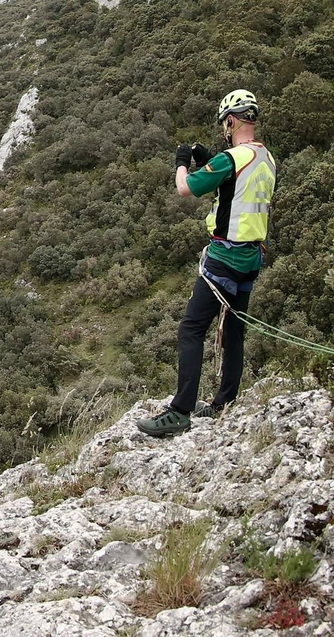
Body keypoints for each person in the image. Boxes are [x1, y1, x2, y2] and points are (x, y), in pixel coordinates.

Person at [138, 89, 278, 438]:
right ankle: (223, 402)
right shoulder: (265, 158)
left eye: (224, 124)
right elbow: (236, 186)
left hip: (224, 258)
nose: (224, 130)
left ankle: (180, 411)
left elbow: (186, 189)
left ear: (231, 120)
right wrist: (211, 158)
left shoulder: (232, 158)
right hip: (251, 259)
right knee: (233, 331)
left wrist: (182, 162)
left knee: (191, 329)